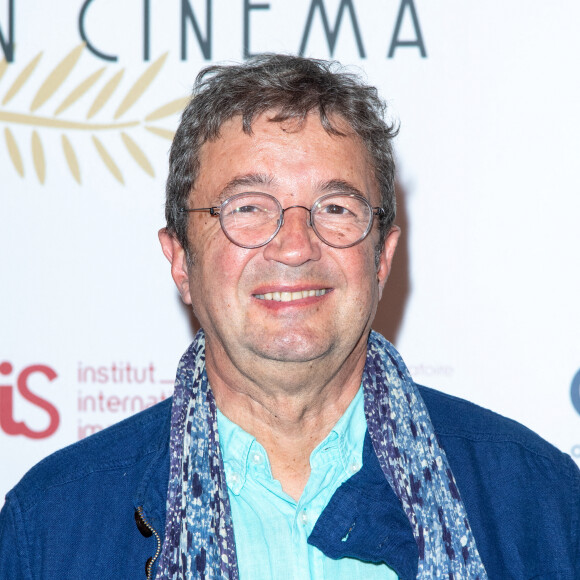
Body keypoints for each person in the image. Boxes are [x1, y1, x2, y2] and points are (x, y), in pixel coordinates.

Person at [0, 55, 578, 580]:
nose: (296, 246)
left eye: (335, 207)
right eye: (247, 208)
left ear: (383, 258)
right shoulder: (52, 525)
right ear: (180, 260)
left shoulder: (541, 502)